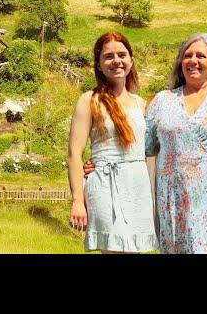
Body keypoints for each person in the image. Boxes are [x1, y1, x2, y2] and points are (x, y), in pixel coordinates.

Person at [85, 33, 207, 254]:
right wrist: (100, 161)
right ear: (180, 63)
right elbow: (139, 148)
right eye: (187, 55)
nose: (193, 60)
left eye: (201, 55)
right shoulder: (162, 101)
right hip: (172, 203)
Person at [68, 32, 158, 253]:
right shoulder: (90, 100)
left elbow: (150, 153)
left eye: (122, 54)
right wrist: (78, 200)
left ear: (131, 60)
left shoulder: (141, 104)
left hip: (137, 187)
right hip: (105, 184)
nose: (116, 61)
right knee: (114, 249)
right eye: (108, 56)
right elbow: (74, 154)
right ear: (99, 65)